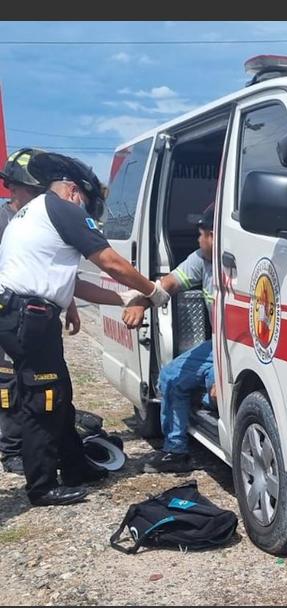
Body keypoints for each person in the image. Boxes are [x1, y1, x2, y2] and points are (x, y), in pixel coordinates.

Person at [0, 152, 171, 506]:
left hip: (24, 313)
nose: (85, 213)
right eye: (86, 205)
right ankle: (42, 487)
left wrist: (121, 298)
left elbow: (68, 281)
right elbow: (110, 262)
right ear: (74, 191)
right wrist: (151, 290)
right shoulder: (63, 209)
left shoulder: (35, 212)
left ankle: (75, 466)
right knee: (43, 399)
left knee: (58, 391)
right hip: (27, 316)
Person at [0, 148, 83, 475]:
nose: (35, 197)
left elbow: (50, 268)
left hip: (32, 313)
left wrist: (69, 304)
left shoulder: (37, 216)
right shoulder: (7, 220)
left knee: (49, 387)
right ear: (13, 187)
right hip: (10, 309)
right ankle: (13, 449)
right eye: (29, 190)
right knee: (12, 384)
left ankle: (69, 459)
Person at [123, 203, 215, 474]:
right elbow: (168, 285)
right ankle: (176, 451)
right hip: (218, 347)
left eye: (201, 234)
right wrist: (141, 303)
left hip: (243, 350)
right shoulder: (201, 259)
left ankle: (208, 396)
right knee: (171, 377)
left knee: (218, 395)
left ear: (214, 235)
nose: (198, 240)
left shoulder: (244, 262)